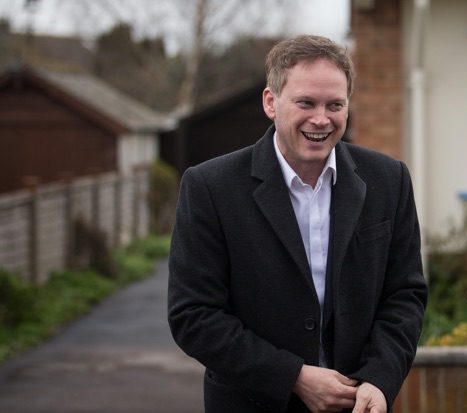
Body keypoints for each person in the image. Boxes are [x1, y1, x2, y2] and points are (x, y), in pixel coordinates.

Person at [168, 34, 427, 413]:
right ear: (271, 102)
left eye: (335, 104)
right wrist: (292, 377)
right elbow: (193, 315)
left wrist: (380, 377)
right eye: (306, 102)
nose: (321, 119)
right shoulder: (210, 187)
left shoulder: (390, 180)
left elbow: (404, 295)